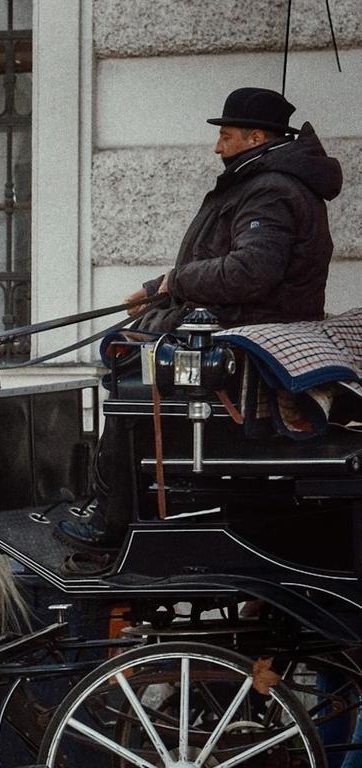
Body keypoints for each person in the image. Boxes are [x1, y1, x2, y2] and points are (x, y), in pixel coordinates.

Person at [57, 86, 343, 551]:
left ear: (255, 137)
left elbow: (251, 271)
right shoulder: (264, 182)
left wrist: (173, 285)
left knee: (127, 373)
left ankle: (111, 521)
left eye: (226, 136)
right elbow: (224, 262)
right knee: (127, 348)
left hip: (239, 336)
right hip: (233, 323)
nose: (217, 146)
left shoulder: (270, 190)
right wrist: (158, 290)